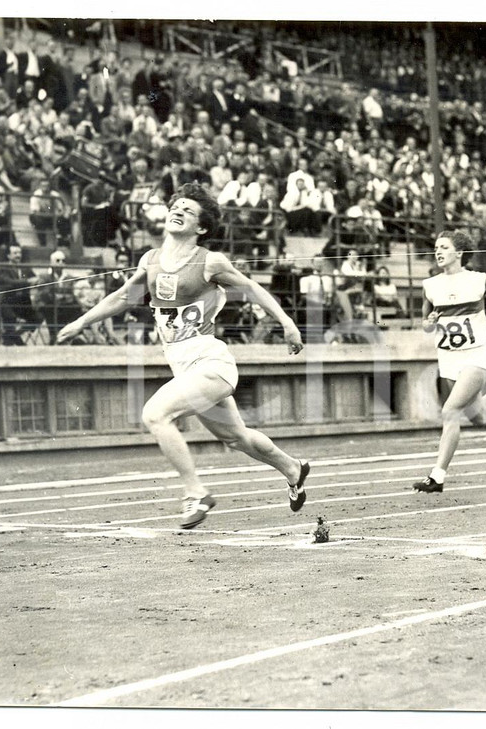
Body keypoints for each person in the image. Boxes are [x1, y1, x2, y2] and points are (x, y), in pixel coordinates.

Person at [56, 183, 311, 528]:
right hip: (183, 367)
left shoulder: (209, 261)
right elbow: (122, 297)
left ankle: (196, 493)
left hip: (210, 362)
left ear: (201, 228)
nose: (178, 211)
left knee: (155, 415)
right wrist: (81, 322)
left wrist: (288, 323)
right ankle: (292, 468)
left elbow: (252, 288)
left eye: (188, 211)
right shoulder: (150, 260)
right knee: (236, 437)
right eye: (176, 207)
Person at [412, 230, 486, 493]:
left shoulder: (479, 280)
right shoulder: (430, 285)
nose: (438, 252)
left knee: (450, 411)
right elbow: (425, 325)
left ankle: (437, 476)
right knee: (479, 417)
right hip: (448, 358)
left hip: (476, 355)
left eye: (444, 247)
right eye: (436, 248)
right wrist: (430, 322)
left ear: (459, 253)